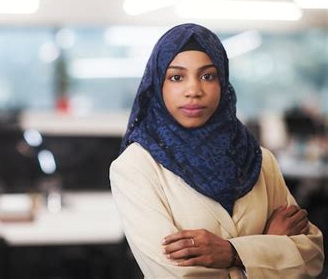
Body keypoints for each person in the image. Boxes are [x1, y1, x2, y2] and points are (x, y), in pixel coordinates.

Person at [109, 23, 324, 278]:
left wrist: (231, 253)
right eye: (177, 77)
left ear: (223, 82)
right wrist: (267, 249)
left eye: (207, 76)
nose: (194, 91)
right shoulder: (136, 168)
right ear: (157, 86)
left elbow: (312, 255)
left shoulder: (260, 160)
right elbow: (176, 275)